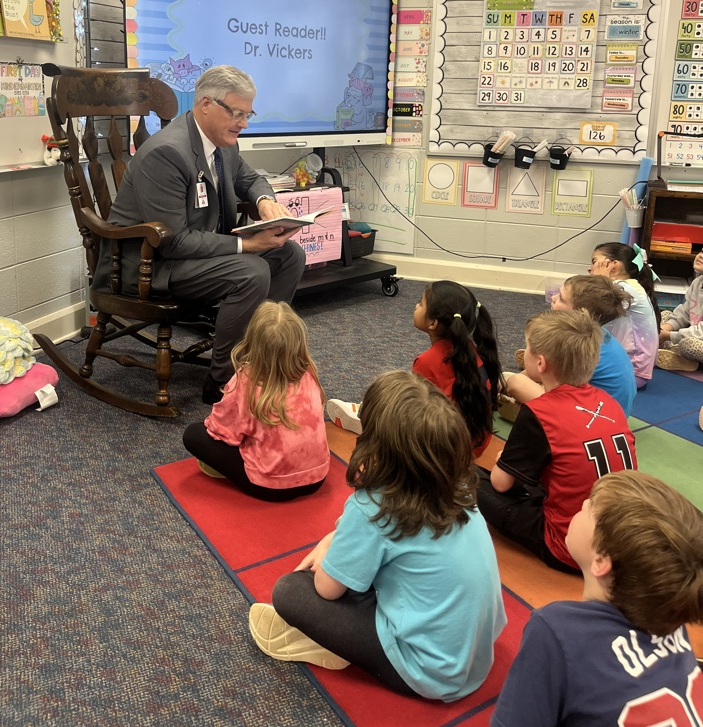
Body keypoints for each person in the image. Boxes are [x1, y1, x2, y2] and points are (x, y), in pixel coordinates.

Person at [249, 370, 506, 701]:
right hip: (475, 657)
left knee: (289, 592)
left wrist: (329, 542)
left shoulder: (373, 504)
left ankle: (339, 648)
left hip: (428, 672)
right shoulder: (459, 489)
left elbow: (326, 589)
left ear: (375, 444)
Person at [95, 65, 306, 403]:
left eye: (248, 113)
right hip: (150, 265)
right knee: (252, 271)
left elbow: (250, 179)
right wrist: (249, 244)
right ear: (206, 103)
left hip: (192, 251)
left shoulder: (223, 142)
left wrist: (266, 202)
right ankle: (225, 380)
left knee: (289, 255)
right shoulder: (168, 153)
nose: (244, 123)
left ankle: (257, 358)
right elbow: (173, 241)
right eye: (237, 113)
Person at [492, 471, 703, 727]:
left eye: (590, 506)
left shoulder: (557, 630)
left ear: (602, 560)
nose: (582, 504)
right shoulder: (671, 614)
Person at [477, 309, 637, 572]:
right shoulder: (608, 402)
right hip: (618, 542)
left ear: (540, 363)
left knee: (468, 477)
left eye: (526, 347)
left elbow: (501, 484)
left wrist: (502, 463)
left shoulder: (539, 412)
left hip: (568, 547)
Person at [327, 281, 502, 456]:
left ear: (433, 323)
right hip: (475, 444)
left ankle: (364, 416)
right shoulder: (470, 349)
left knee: (386, 402)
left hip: (443, 451)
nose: (416, 305)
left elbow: (415, 413)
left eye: (420, 303)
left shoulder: (428, 361)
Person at [182, 301, 329, 501]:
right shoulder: (308, 372)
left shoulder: (247, 379)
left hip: (269, 486)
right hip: (317, 478)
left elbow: (219, 430)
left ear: (252, 341)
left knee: (193, 434)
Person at [503, 275, 636, 417]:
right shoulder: (594, 334)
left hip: (589, 417)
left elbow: (540, 376)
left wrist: (509, 383)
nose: (553, 298)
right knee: (517, 378)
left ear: (579, 314)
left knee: (515, 382)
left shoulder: (574, 344)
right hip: (612, 414)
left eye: (561, 298)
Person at [588, 242, 660, 389]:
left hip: (630, 374)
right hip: (626, 368)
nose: (590, 268)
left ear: (614, 265)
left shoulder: (625, 288)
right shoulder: (627, 286)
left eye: (595, 261)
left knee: (566, 369)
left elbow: (594, 310)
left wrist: (600, 280)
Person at [657, 249, 703, 371]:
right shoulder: (698, 282)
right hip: (692, 333)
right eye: (702, 251)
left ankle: (679, 354)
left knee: (688, 345)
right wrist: (663, 330)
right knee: (665, 315)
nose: (701, 256)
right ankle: (678, 355)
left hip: (698, 337)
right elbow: (684, 312)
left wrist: (668, 336)